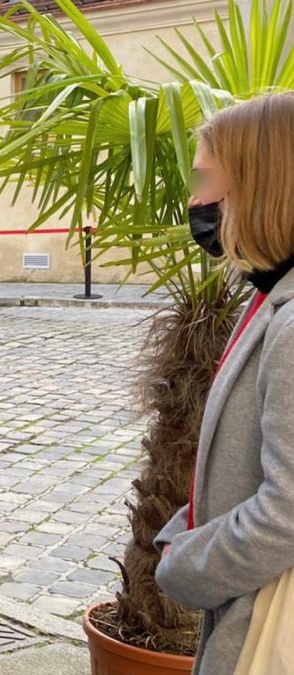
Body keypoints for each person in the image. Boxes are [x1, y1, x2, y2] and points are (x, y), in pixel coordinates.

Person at [155, 93, 294, 675]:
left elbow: (286, 512)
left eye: (206, 180)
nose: (195, 202)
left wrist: (185, 567)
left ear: (260, 184)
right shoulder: (270, 296)